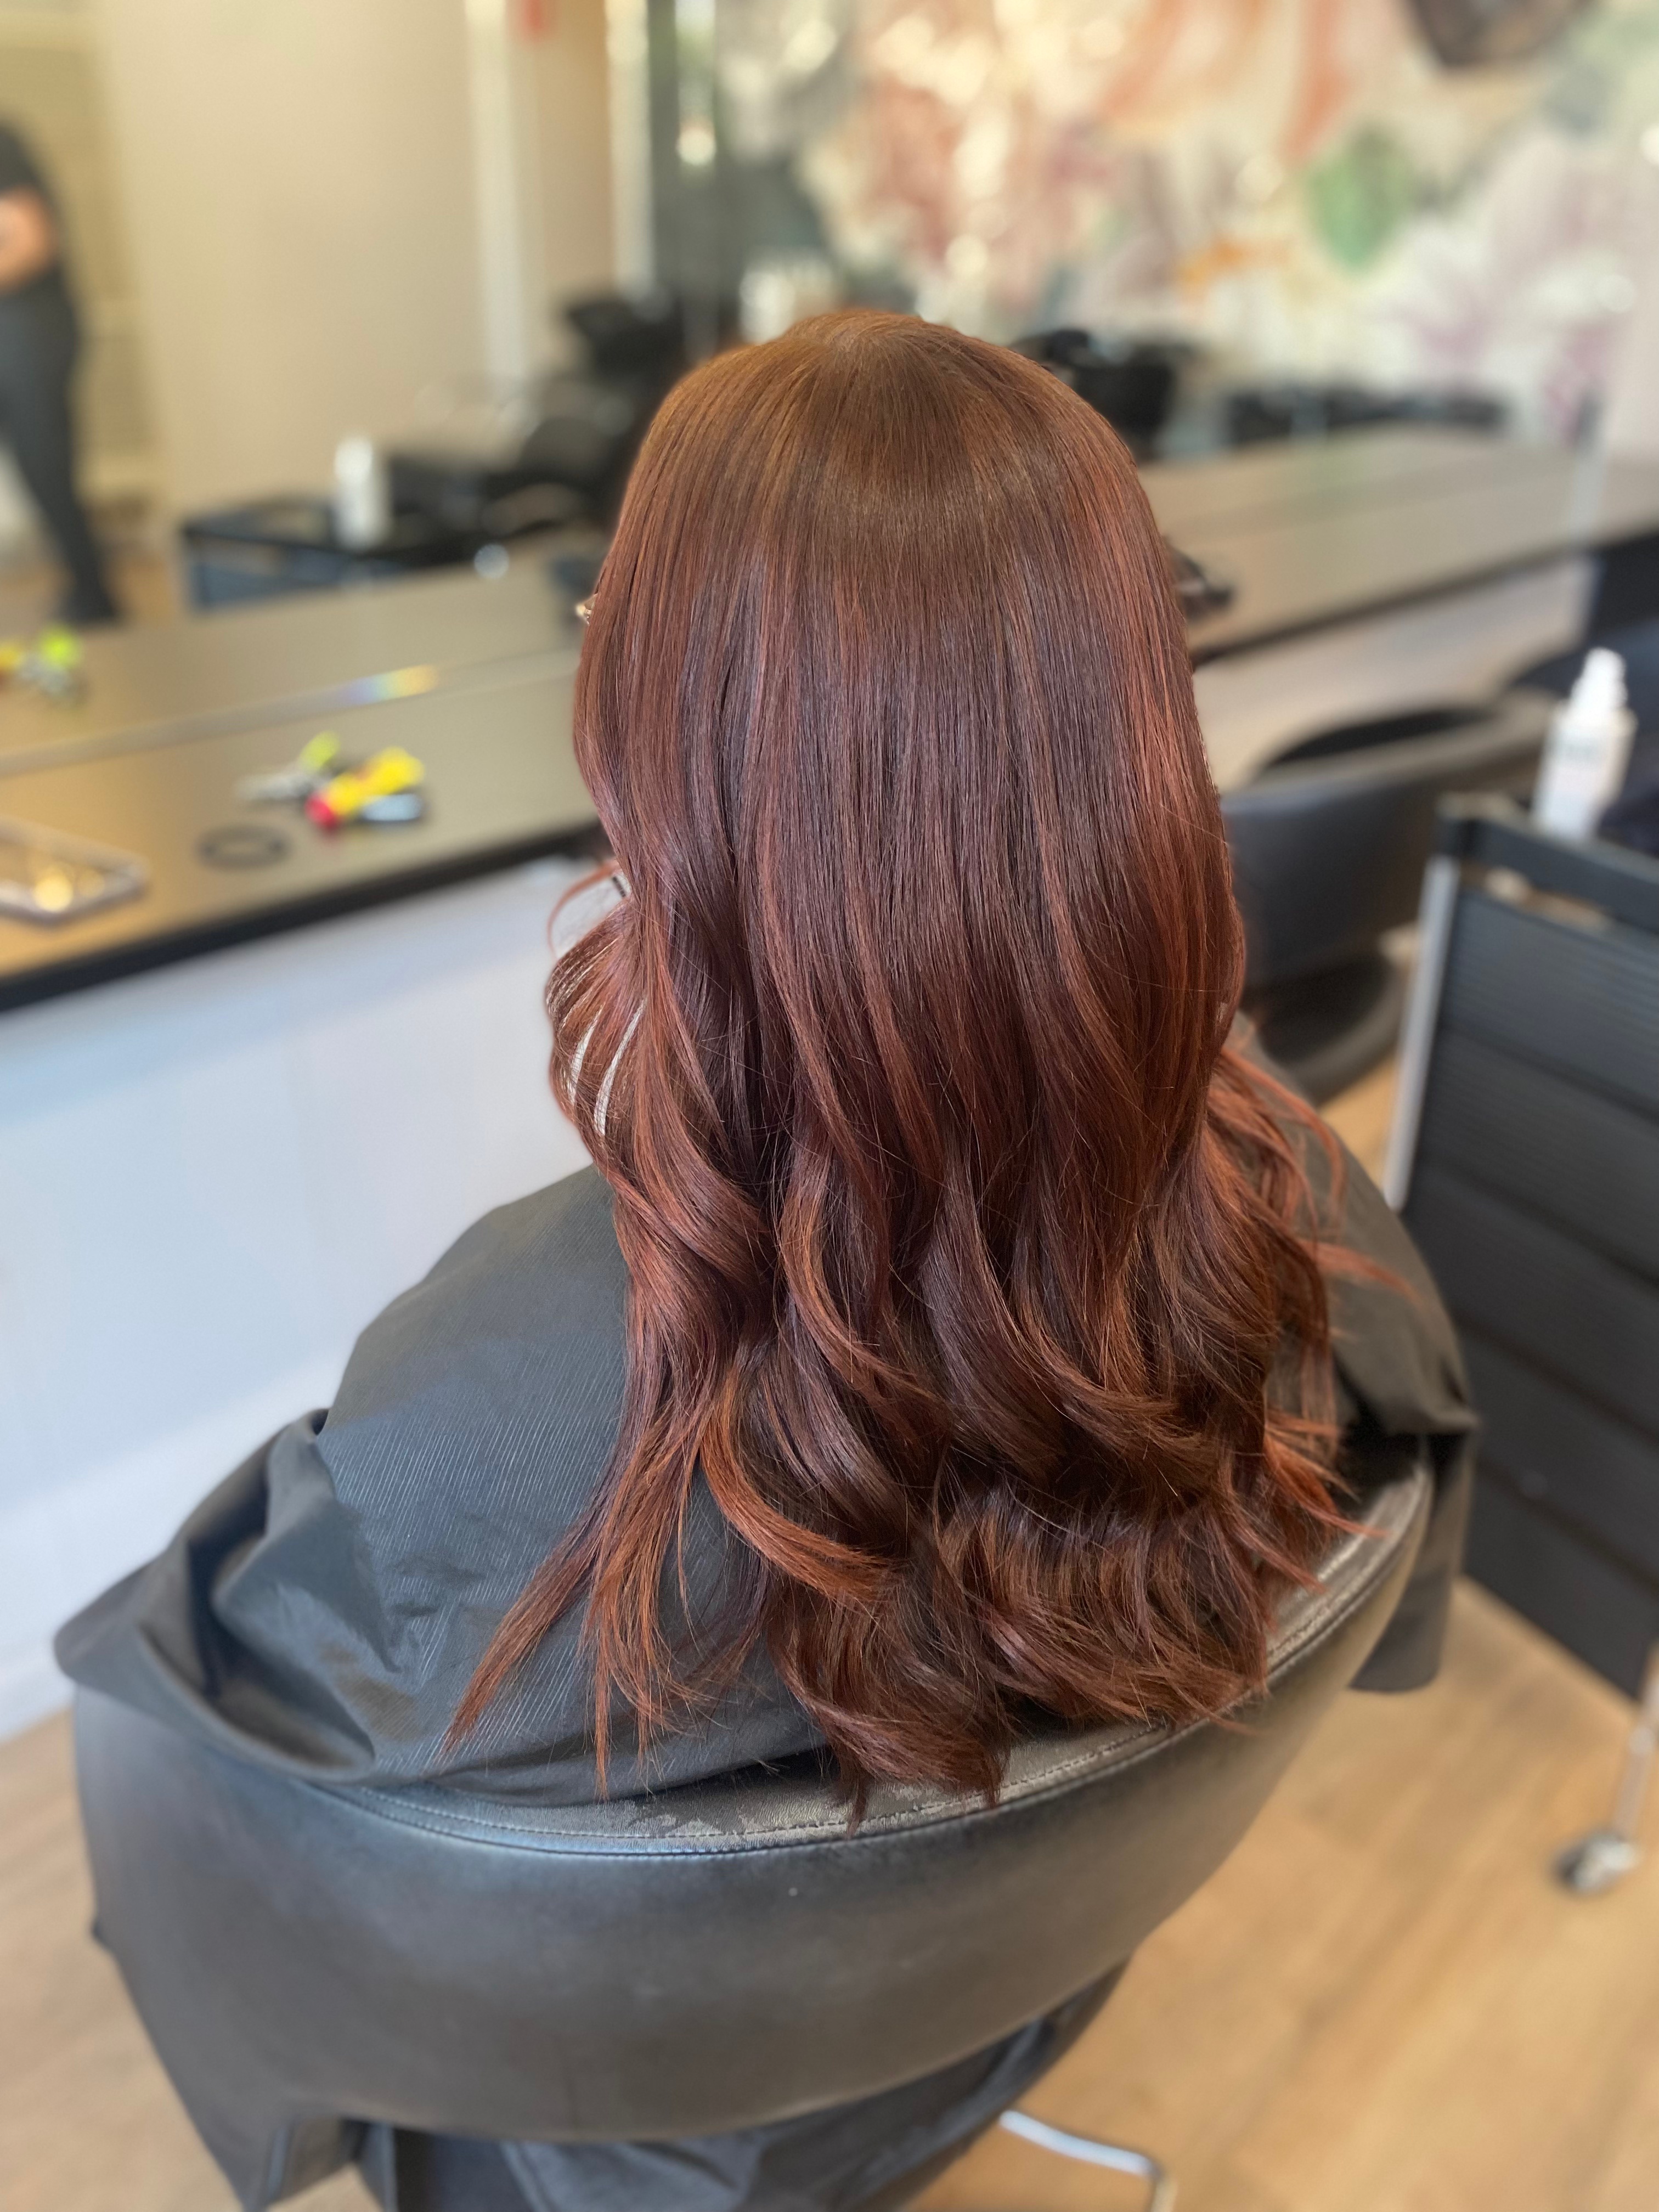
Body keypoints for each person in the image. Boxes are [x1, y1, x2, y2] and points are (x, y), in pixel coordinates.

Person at [57, 312, 1472, 2212]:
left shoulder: (471, 1427)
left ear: (653, 735)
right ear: (1135, 726)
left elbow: (212, 1828)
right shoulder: (1314, 1230)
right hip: (1008, 2002)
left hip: (620, 2129)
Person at [0, 119, 119, 625]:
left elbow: (32, 239)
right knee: (35, 472)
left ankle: (94, 600)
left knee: (46, 469)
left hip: (30, 329)